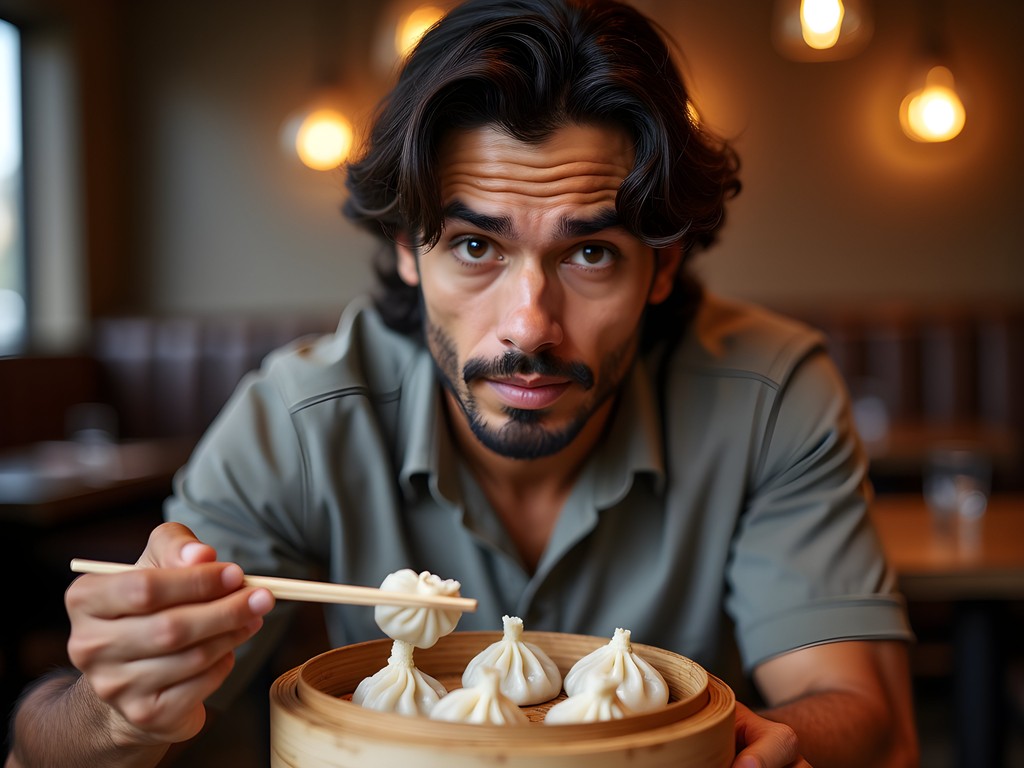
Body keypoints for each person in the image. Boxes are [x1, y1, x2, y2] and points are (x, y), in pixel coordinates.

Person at [6, 0, 919, 766]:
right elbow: (49, 748)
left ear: (664, 266)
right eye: (476, 245)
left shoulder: (769, 393)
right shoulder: (299, 419)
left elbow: (862, 707)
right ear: (408, 248)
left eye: (592, 251)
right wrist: (115, 703)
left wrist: (748, 743)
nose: (528, 323)